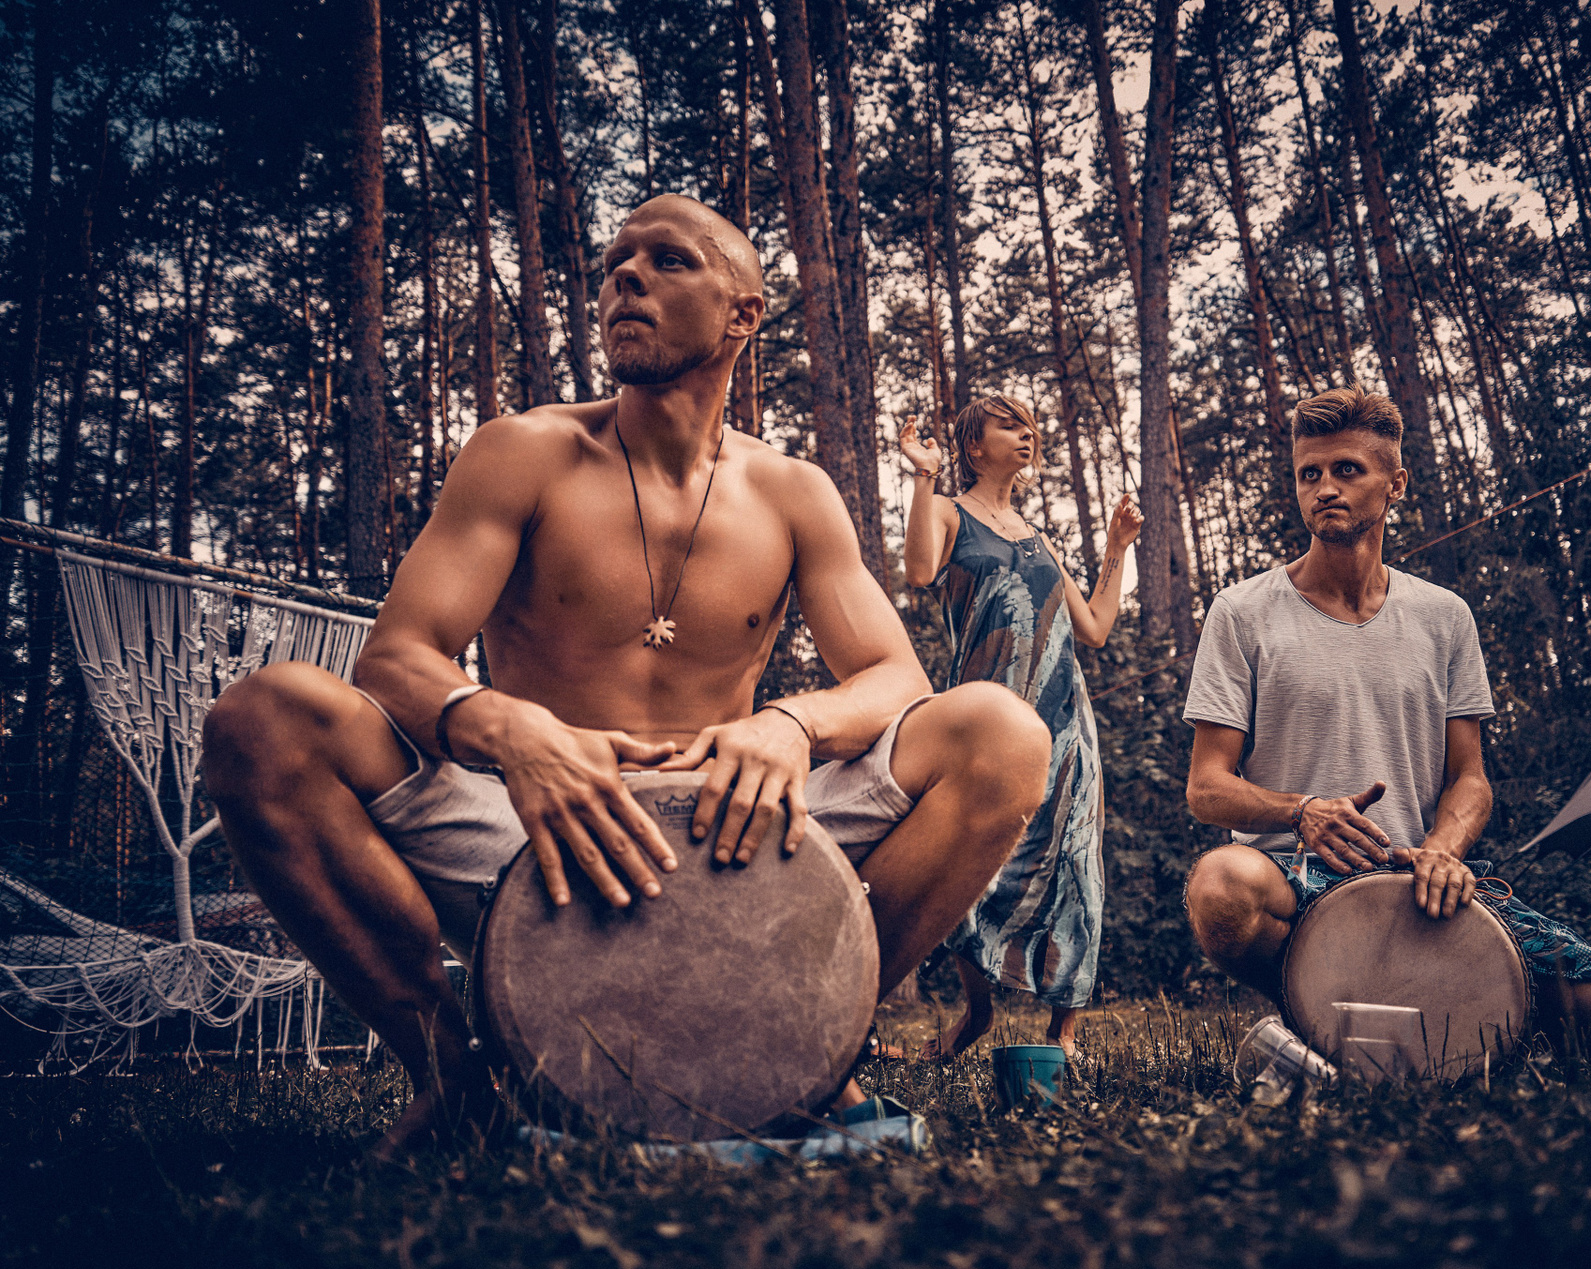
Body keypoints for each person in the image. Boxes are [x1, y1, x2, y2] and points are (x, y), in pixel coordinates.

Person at [202, 194, 1053, 1155]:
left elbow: (895, 677)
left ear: (743, 314)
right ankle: (456, 1079)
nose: (625, 278)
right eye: (615, 264)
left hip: (736, 845)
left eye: (668, 260)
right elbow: (396, 657)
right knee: (266, 716)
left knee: (1002, 735)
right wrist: (510, 730)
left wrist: (791, 726)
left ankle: (810, 1049)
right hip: (534, 838)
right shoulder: (524, 452)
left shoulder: (793, 492)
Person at [1181, 387, 1591, 1053]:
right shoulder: (1242, 611)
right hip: (1295, 881)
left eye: (1346, 469)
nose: (1324, 488)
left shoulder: (1444, 616)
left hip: (1419, 885)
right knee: (1220, 885)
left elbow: (1470, 778)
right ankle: (1316, 1009)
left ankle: (1449, 1017)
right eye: (1309, 474)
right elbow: (1207, 787)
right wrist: (1302, 811)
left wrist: (1443, 852)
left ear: (1396, 484)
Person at [895, 395, 1142, 1059]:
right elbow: (918, 571)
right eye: (1009, 426)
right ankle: (977, 1016)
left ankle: (1063, 1035)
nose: (1026, 435)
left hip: (1065, 718)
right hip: (984, 720)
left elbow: (1094, 627)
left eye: (1030, 426)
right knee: (972, 861)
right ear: (974, 446)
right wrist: (923, 475)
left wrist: (1117, 548)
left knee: (1075, 860)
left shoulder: (1036, 535)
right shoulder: (949, 512)